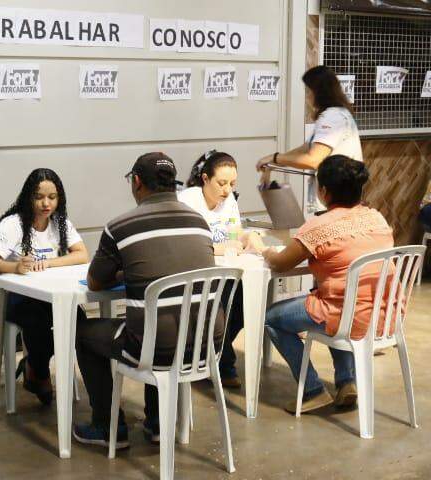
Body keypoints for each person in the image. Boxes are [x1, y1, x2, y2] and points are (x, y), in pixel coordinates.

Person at [73, 152, 222, 447]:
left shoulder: (121, 227)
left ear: (137, 182)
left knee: (85, 332)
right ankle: (157, 424)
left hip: (157, 349)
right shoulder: (200, 222)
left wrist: (124, 272)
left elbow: (95, 281)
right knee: (163, 320)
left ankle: (107, 427)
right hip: (206, 346)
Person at [247, 156, 393, 413]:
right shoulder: (377, 218)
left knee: (271, 318)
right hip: (382, 315)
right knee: (337, 300)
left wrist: (261, 247)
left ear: (324, 191)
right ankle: (347, 382)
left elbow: (281, 264)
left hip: (347, 316)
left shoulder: (319, 226)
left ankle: (313, 391)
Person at [0, 168, 89, 405]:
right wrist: (15, 267)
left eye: (52, 197)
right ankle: (37, 370)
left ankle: (34, 366)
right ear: (28, 197)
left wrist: (48, 262)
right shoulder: (14, 224)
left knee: (77, 319)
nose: (46, 203)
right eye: (39, 197)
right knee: (39, 321)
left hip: (43, 294)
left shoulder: (60, 223)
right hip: (4, 295)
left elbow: (82, 255)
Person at [178, 150, 261, 387]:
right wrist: (224, 247)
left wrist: (248, 237)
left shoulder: (229, 201)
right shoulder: (188, 199)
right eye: (221, 183)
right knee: (223, 302)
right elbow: (191, 243)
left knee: (248, 303)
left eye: (232, 184)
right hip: (196, 273)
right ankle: (222, 362)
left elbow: (234, 234)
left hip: (226, 271)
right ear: (205, 179)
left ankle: (212, 353)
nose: (226, 190)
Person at [256, 65, 363, 212]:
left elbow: (313, 160)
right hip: (336, 200)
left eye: (308, 91)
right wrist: (272, 161)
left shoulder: (333, 117)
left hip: (337, 202)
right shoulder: (336, 114)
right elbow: (305, 149)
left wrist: (275, 158)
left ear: (319, 92)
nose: (307, 96)